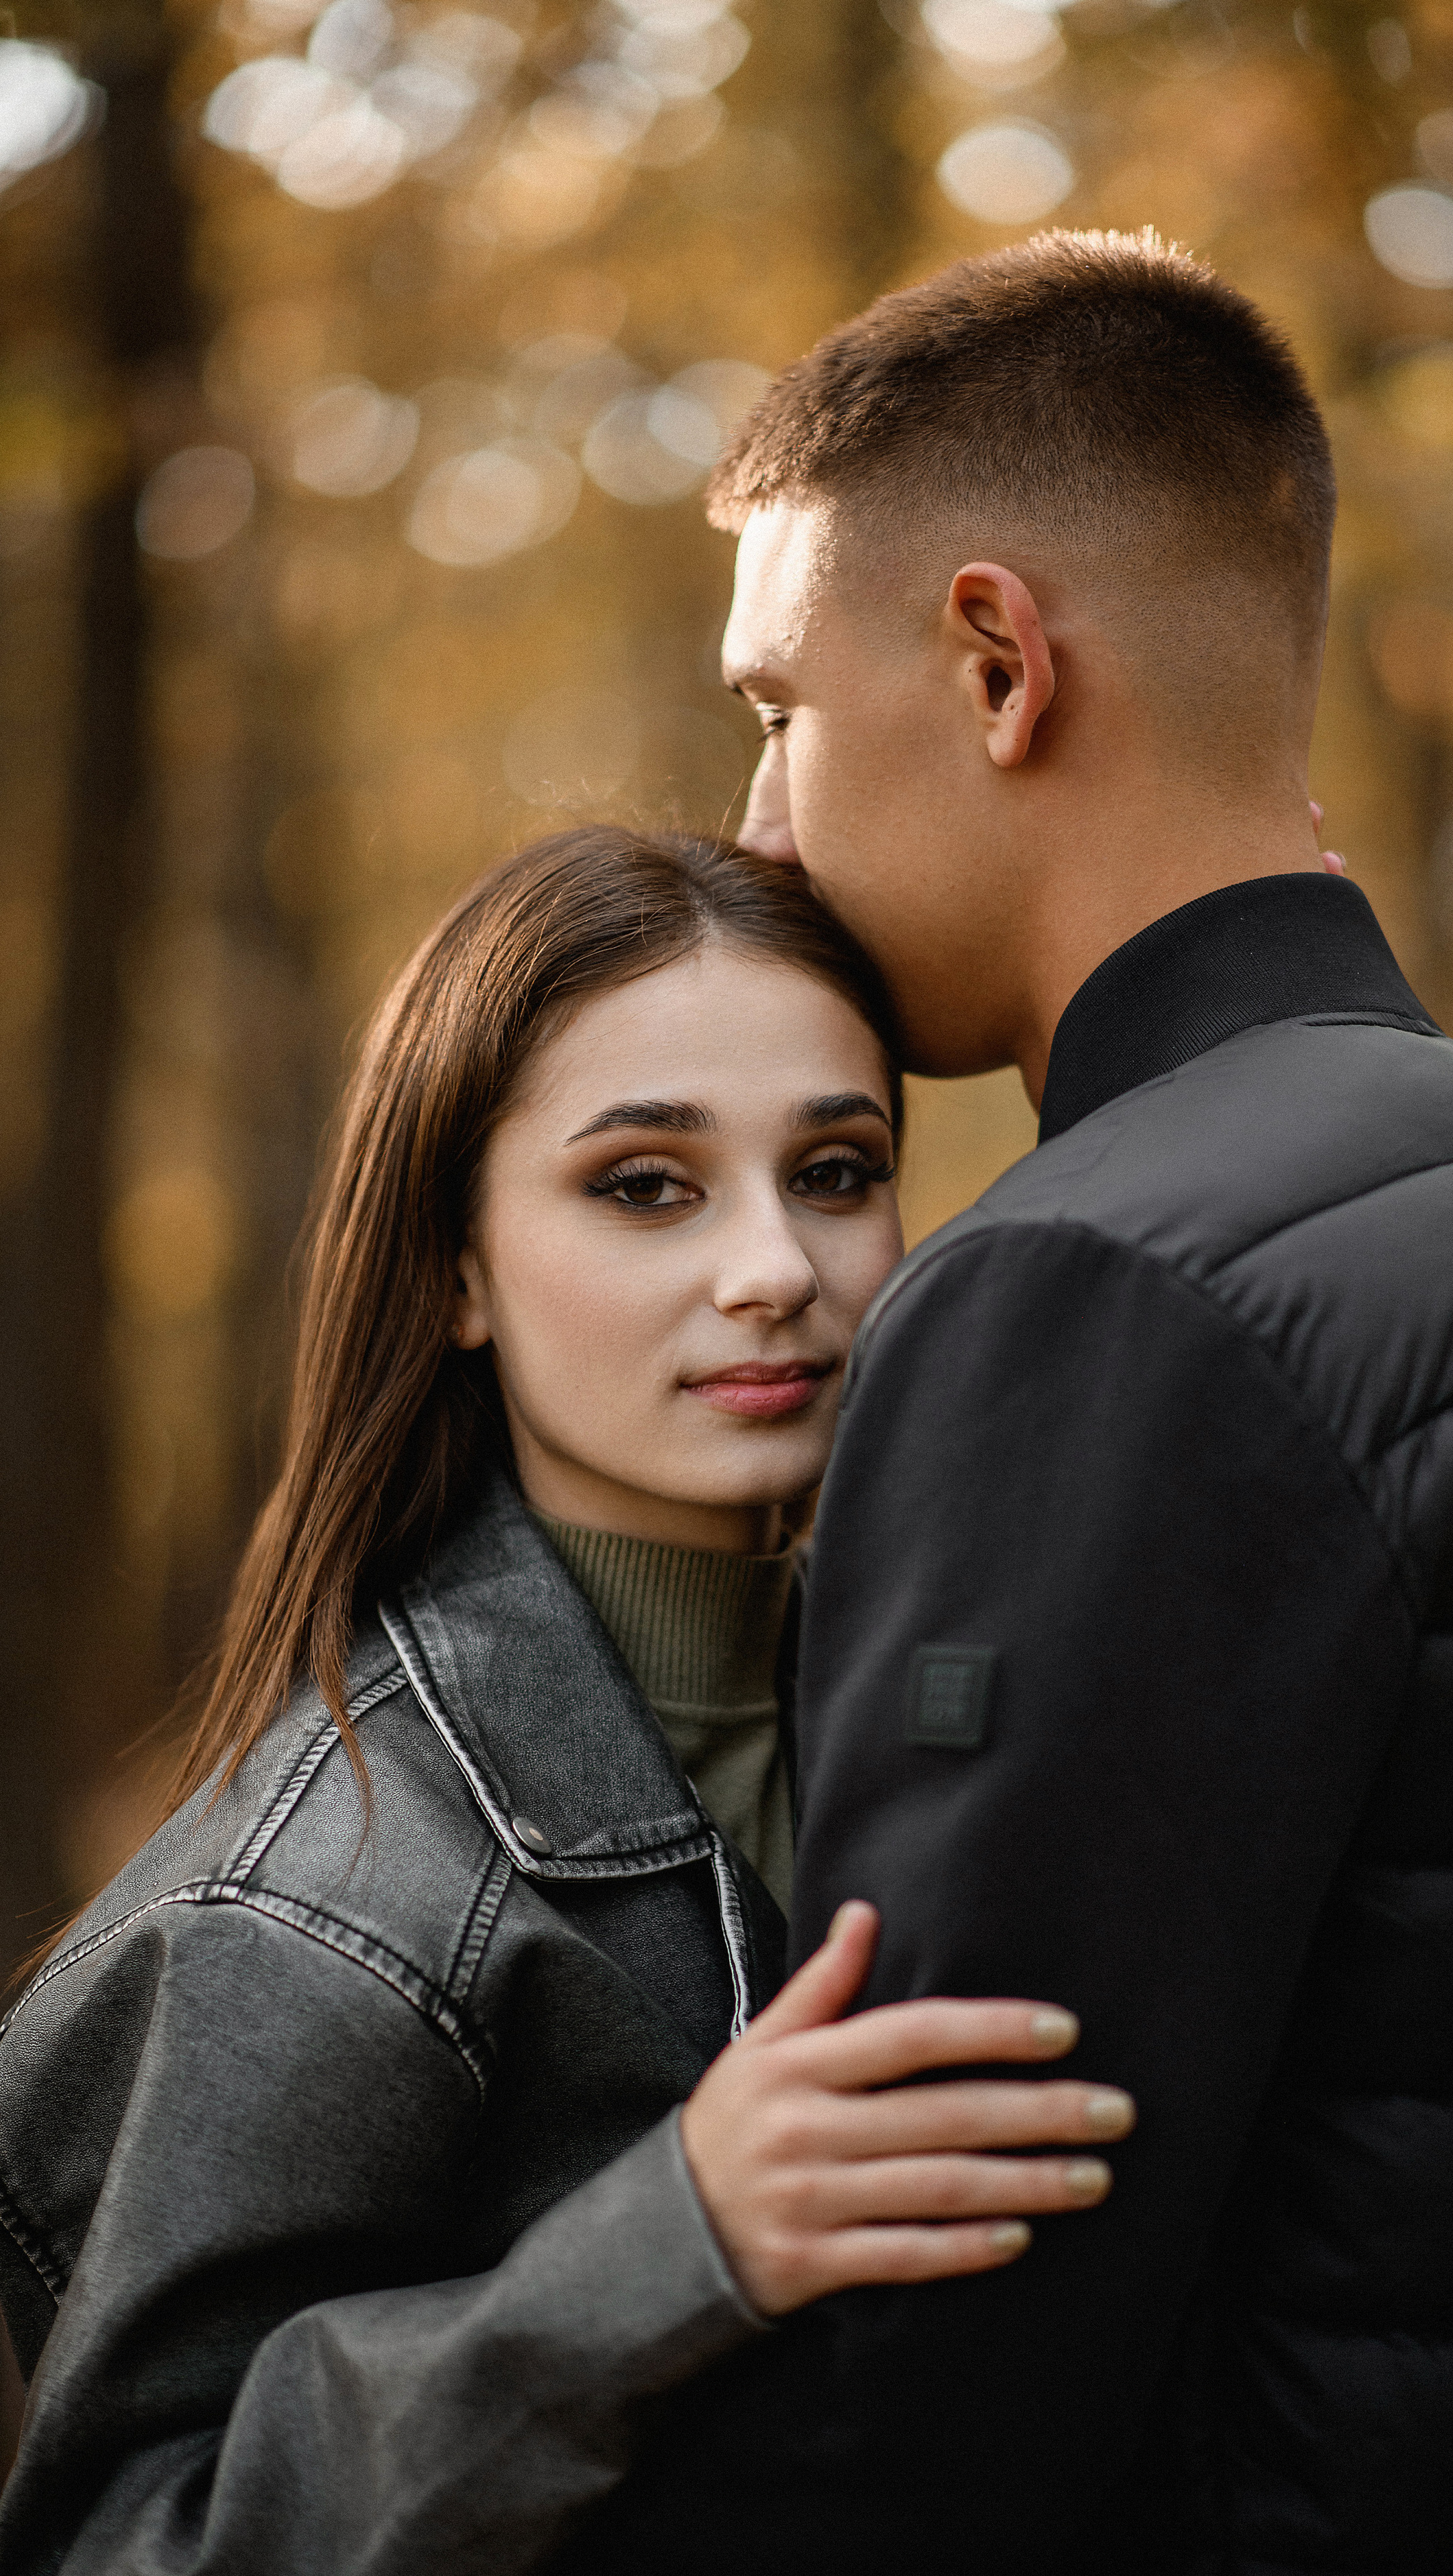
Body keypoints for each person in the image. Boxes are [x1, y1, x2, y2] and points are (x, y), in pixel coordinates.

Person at [586, 233, 1453, 2571]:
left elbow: (947, 2341)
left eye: (779, 711)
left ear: (997, 665)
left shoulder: (1099, 1289)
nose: (763, 825)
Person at [0, 828, 1134, 2574]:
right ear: (453, 1268)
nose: (777, 1267)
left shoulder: (963, 1728)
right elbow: (139, 2542)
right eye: (647, 1186)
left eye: (836, 1170)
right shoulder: (314, 1916)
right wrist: (673, 2246)